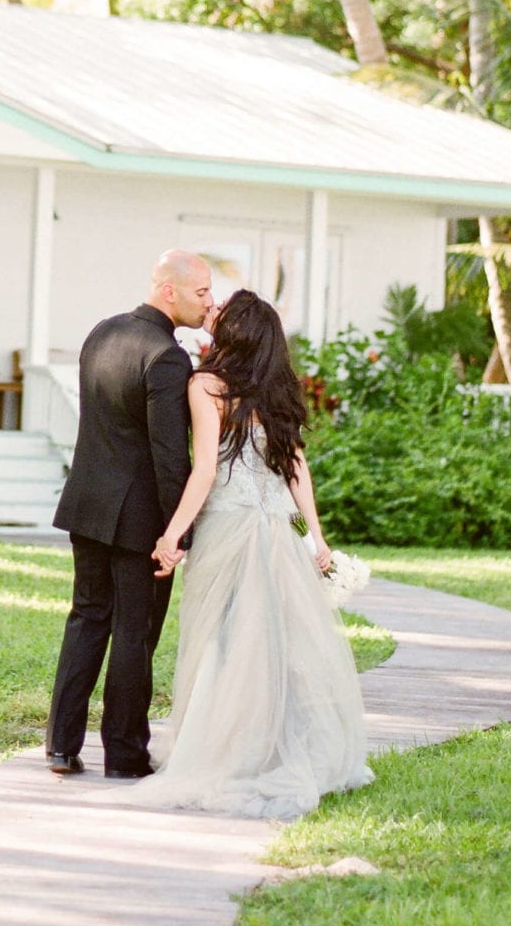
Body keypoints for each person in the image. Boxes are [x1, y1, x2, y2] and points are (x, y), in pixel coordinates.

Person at [142, 288, 372, 819]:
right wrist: (315, 536)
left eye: (221, 311)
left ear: (236, 330)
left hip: (229, 528)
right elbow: (295, 467)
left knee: (222, 641)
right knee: (271, 641)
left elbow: (204, 471)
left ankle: (222, 749)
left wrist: (172, 535)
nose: (212, 312)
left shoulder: (207, 385)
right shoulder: (275, 388)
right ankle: (269, 745)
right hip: (276, 534)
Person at [45, 249, 215, 779]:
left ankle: (60, 745)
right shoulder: (167, 357)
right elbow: (170, 457)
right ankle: (123, 754)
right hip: (138, 520)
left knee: (87, 619)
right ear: (169, 290)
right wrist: (178, 531)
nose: (209, 303)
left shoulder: (102, 332)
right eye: (201, 292)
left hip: (86, 503)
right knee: (134, 632)